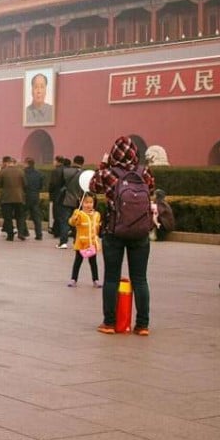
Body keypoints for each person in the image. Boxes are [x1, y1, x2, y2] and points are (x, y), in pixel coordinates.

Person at [90, 135, 155, 336]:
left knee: (111, 278)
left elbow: (92, 187)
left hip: (113, 231)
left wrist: (102, 165)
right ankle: (142, 325)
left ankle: (109, 323)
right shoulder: (144, 172)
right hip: (140, 232)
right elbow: (151, 189)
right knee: (140, 279)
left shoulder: (107, 173)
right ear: (134, 153)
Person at [67, 193, 101, 287]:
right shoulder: (79, 213)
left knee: (93, 262)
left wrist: (96, 239)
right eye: (86, 202)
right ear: (81, 203)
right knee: (78, 261)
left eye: (91, 202)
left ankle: (96, 280)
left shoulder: (97, 215)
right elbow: (72, 222)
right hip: (81, 243)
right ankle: (73, 279)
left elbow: (97, 228)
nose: (88, 204)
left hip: (92, 244)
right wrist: (75, 217)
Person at [0, 156, 25, 241]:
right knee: (20, 216)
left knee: (8, 217)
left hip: (6, 198)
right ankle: (21, 233)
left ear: (7, 163)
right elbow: (25, 184)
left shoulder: (3, 172)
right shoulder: (21, 171)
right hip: (19, 197)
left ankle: (10, 235)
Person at [22, 157, 44, 240]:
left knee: (22, 215)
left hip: (25, 196)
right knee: (36, 217)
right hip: (35, 196)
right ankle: (39, 234)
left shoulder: (23, 173)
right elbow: (41, 186)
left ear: (27, 164)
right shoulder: (39, 173)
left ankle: (24, 232)